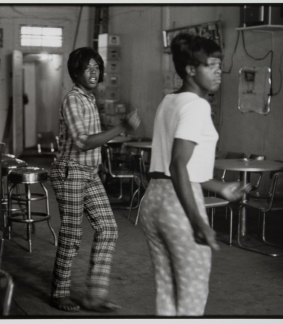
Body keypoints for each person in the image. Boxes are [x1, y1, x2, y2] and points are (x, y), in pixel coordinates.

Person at [139, 33, 250, 316]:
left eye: (218, 65)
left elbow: (171, 167)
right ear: (190, 70)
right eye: (210, 65)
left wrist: (220, 187)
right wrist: (197, 220)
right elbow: (178, 166)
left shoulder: (170, 101)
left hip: (153, 201)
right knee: (191, 298)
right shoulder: (198, 105)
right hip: (179, 205)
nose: (218, 72)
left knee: (167, 291)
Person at [49, 47, 141, 312]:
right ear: (76, 72)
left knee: (109, 229)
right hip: (70, 170)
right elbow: (83, 142)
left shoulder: (89, 99)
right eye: (87, 68)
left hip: (88, 173)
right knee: (72, 233)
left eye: (97, 68)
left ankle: (94, 296)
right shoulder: (73, 100)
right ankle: (59, 292)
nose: (93, 72)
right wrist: (121, 127)